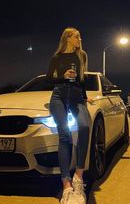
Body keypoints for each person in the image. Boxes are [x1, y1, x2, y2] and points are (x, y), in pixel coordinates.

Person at [46, 27, 91, 204]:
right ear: (68, 38)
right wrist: (63, 77)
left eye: (80, 36)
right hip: (58, 96)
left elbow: (82, 80)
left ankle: (79, 176)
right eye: (77, 36)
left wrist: (85, 98)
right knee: (64, 136)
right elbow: (48, 79)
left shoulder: (82, 56)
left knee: (85, 126)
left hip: (76, 98)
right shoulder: (56, 58)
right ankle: (66, 184)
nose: (80, 38)